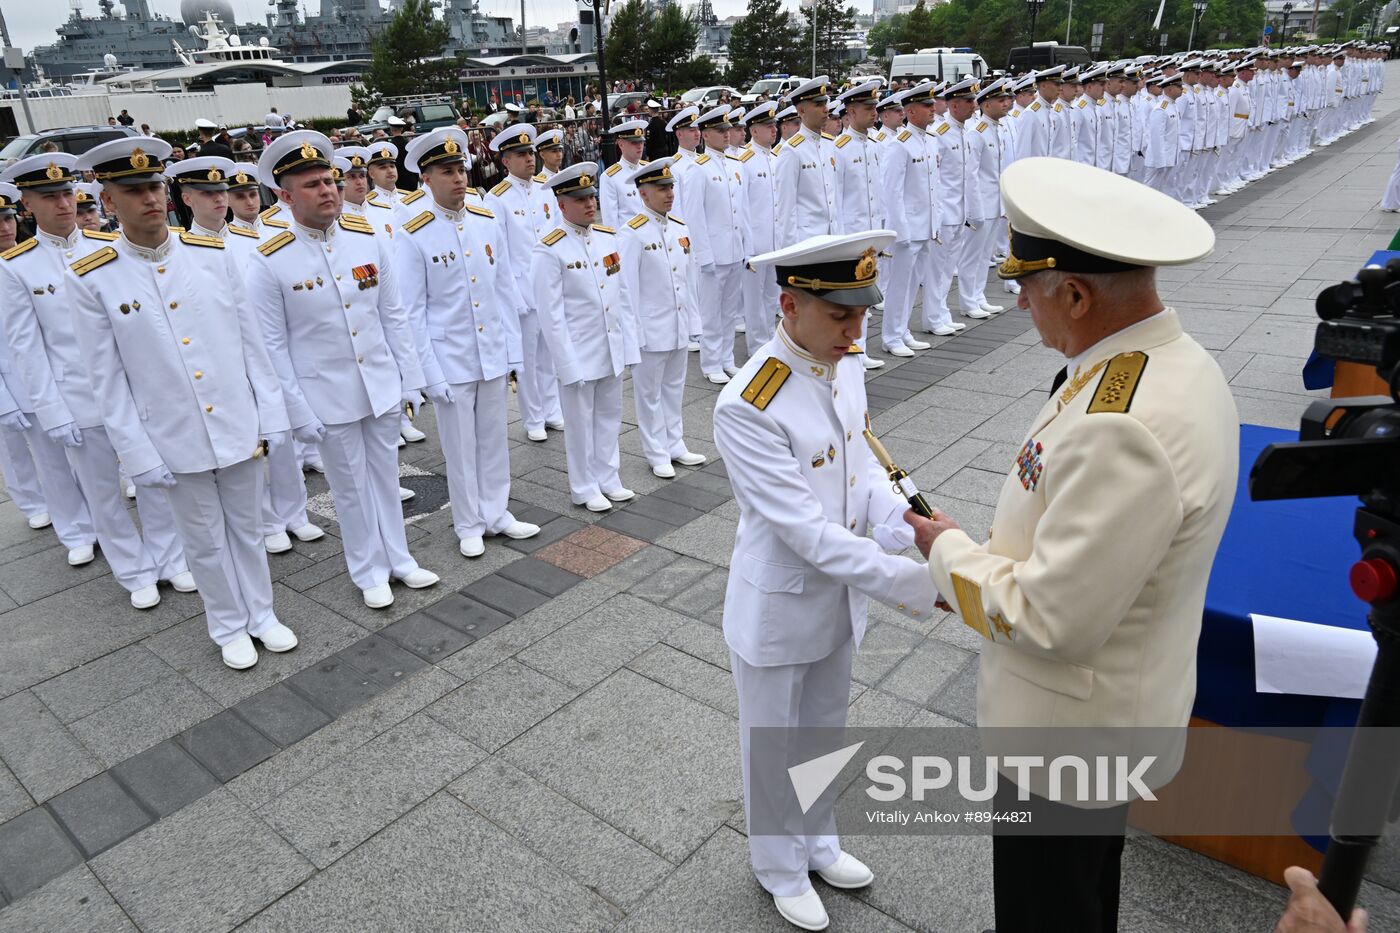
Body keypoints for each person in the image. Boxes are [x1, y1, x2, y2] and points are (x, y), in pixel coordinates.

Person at [905, 157, 1236, 932]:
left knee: (1046, 905)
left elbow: (1052, 618)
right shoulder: (1170, 362)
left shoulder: (1123, 422)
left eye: (1026, 286)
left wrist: (947, 550)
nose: (1020, 303)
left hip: (1066, 744)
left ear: (1078, 294)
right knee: (1083, 893)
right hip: (1111, 720)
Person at [714, 229, 940, 932]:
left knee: (824, 727)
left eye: (863, 312)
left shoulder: (842, 363)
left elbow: (864, 470)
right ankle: (778, 865)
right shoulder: (748, 403)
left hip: (840, 599)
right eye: (841, 314)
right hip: (780, 606)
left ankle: (818, 840)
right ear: (790, 305)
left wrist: (911, 526)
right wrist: (916, 582)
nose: (856, 329)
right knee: (774, 742)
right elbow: (807, 534)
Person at [67, 136, 295, 671]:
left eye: (153, 186)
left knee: (247, 526)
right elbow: (108, 381)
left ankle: (262, 614)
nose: (149, 199)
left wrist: (273, 413)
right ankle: (228, 624)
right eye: (133, 190)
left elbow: (251, 344)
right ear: (108, 199)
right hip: (171, 432)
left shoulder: (211, 255)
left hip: (237, 420)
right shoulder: (93, 276)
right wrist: (137, 454)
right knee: (203, 539)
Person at [244, 131, 440, 609]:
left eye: (328, 180)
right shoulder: (268, 261)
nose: (327, 190)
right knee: (350, 488)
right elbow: (271, 347)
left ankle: (399, 558)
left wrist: (410, 378)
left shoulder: (367, 237)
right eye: (311, 185)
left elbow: (392, 315)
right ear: (285, 196)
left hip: (379, 384)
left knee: (385, 476)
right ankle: (368, 569)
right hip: (325, 396)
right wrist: (296, 410)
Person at [0, 152, 194, 609]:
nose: (64, 204)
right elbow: (27, 348)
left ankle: (169, 558)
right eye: (49, 197)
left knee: (152, 480)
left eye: (67, 193)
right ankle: (134, 570)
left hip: (131, 394)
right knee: (102, 492)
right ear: (27, 205)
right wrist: (51, 409)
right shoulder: (16, 268)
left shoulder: (105, 248)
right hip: (77, 397)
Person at [395, 127, 539, 558]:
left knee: (494, 439)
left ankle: (496, 512)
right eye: (447, 171)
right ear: (426, 178)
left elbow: (503, 292)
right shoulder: (412, 232)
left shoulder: (485, 220)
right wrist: (426, 374)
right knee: (460, 448)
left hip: (492, 350)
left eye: (461, 169)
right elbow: (412, 311)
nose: (459, 178)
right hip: (450, 357)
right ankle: (469, 522)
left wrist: (514, 352)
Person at [530, 162, 638, 512]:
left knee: (609, 416)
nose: (590, 204)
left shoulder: (607, 238)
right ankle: (584, 486)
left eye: (591, 197)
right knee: (579, 424)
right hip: (578, 351)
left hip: (610, 345)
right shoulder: (550, 248)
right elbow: (552, 315)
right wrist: (567, 364)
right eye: (580, 200)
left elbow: (622, 298)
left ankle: (609, 476)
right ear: (562, 204)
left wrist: (629, 346)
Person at [0, 183, 95, 549]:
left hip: (73, 373)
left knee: (88, 461)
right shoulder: (17, 266)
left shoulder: (35, 258)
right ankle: (76, 532)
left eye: (7, 219)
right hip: (23, 382)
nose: (4, 227)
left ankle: (98, 520)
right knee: (51, 462)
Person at [617, 157, 707, 479]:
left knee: (674, 387)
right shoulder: (632, 233)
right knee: (649, 394)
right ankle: (656, 451)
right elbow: (625, 289)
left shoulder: (680, 229)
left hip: (678, 325)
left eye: (670, 187)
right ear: (643, 194)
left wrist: (694, 324)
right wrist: (633, 336)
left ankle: (676, 443)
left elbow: (690, 280)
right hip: (650, 328)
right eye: (661, 188)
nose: (669, 194)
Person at [486, 124, 565, 443]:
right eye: (521, 155)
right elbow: (498, 254)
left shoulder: (546, 189)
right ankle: (533, 416)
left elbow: (559, 237)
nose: (529, 159)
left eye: (530, 153)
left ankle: (552, 408)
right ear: (505, 161)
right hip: (520, 290)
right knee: (527, 359)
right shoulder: (497, 198)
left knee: (551, 353)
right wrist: (512, 297)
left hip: (548, 286)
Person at [881, 81, 957, 355]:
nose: (932, 110)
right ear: (910, 112)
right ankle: (890, 337)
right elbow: (892, 192)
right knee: (899, 285)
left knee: (913, 284)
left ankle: (903, 331)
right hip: (908, 229)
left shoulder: (930, 140)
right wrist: (899, 232)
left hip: (926, 226)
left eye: (932, 105)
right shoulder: (898, 145)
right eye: (926, 106)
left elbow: (933, 186)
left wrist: (934, 223)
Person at [683, 105, 748, 385]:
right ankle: (711, 363)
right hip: (714, 253)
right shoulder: (698, 169)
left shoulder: (735, 166)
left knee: (730, 311)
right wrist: (704, 256)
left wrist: (747, 248)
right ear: (706, 136)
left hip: (734, 250)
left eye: (728, 129)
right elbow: (694, 217)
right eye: (720, 131)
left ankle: (726, 358)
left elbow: (742, 213)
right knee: (711, 313)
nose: (726, 134)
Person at [831, 79, 889, 372]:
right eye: (867, 108)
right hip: (851, 232)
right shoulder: (838, 148)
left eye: (875, 108)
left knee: (865, 293)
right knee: (849, 296)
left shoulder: (876, 145)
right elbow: (836, 197)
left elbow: (879, 191)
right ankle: (848, 348)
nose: (874, 113)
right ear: (850, 113)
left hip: (870, 232)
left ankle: (861, 347)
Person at [773, 77, 839, 249]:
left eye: (825, 104)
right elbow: (786, 209)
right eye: (818, 105)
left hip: (833, 237)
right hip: (807, 242)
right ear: (801, 110)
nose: (826, 110)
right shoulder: (791, 151)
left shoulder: (830, 144)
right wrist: (791, 252)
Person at [738, 103, 782, 346]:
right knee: (754, 300)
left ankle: (770, 340)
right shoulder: (744, 160)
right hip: (755, 241)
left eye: (774, 125)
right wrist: (747, 245)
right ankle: (757, 345)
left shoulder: (776, 158)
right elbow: (743, 207)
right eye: (767, 126)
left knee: (772, 297)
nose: (773, 130)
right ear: (754, 131)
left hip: (775, 240)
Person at [599, 118, 649, 224]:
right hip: (629, 239)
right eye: (634, 142)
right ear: (621, 144)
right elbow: (610, 220)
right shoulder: (609, 177)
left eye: (641, 141)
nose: (639, 146)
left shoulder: (648, 170)